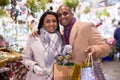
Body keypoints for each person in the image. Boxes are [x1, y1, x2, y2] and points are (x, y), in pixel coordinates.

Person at [30, 5, 110, 79]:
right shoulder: (61, 34)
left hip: (87, 74)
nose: (62, 17)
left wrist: (94, 49)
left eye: (65, 13)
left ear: (72, 14)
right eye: (59, 15)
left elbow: (105, 48)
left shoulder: (86, 27)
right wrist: (38, 32)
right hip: (70, 74)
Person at [22, 10, 63, 80]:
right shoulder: (34, 38)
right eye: (47, 21)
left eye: (54, 21)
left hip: (56, 77)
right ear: (42, 23)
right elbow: (26, 59)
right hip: (37, 77)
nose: (51, 24)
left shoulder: (61, 38)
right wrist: (35, 68)